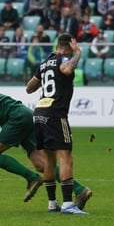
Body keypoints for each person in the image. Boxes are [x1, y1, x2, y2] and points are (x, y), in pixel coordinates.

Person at [25, 34, 88, 214]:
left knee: (49, 159)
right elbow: (67, 71)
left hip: (39, 113)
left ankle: (52, 203)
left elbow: (29, 88)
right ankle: (68, 204)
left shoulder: (44, 63)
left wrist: (42, 79)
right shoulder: (64, 58)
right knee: (66, 157)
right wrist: (78, 54)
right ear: (69, 45)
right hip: (55, 114)